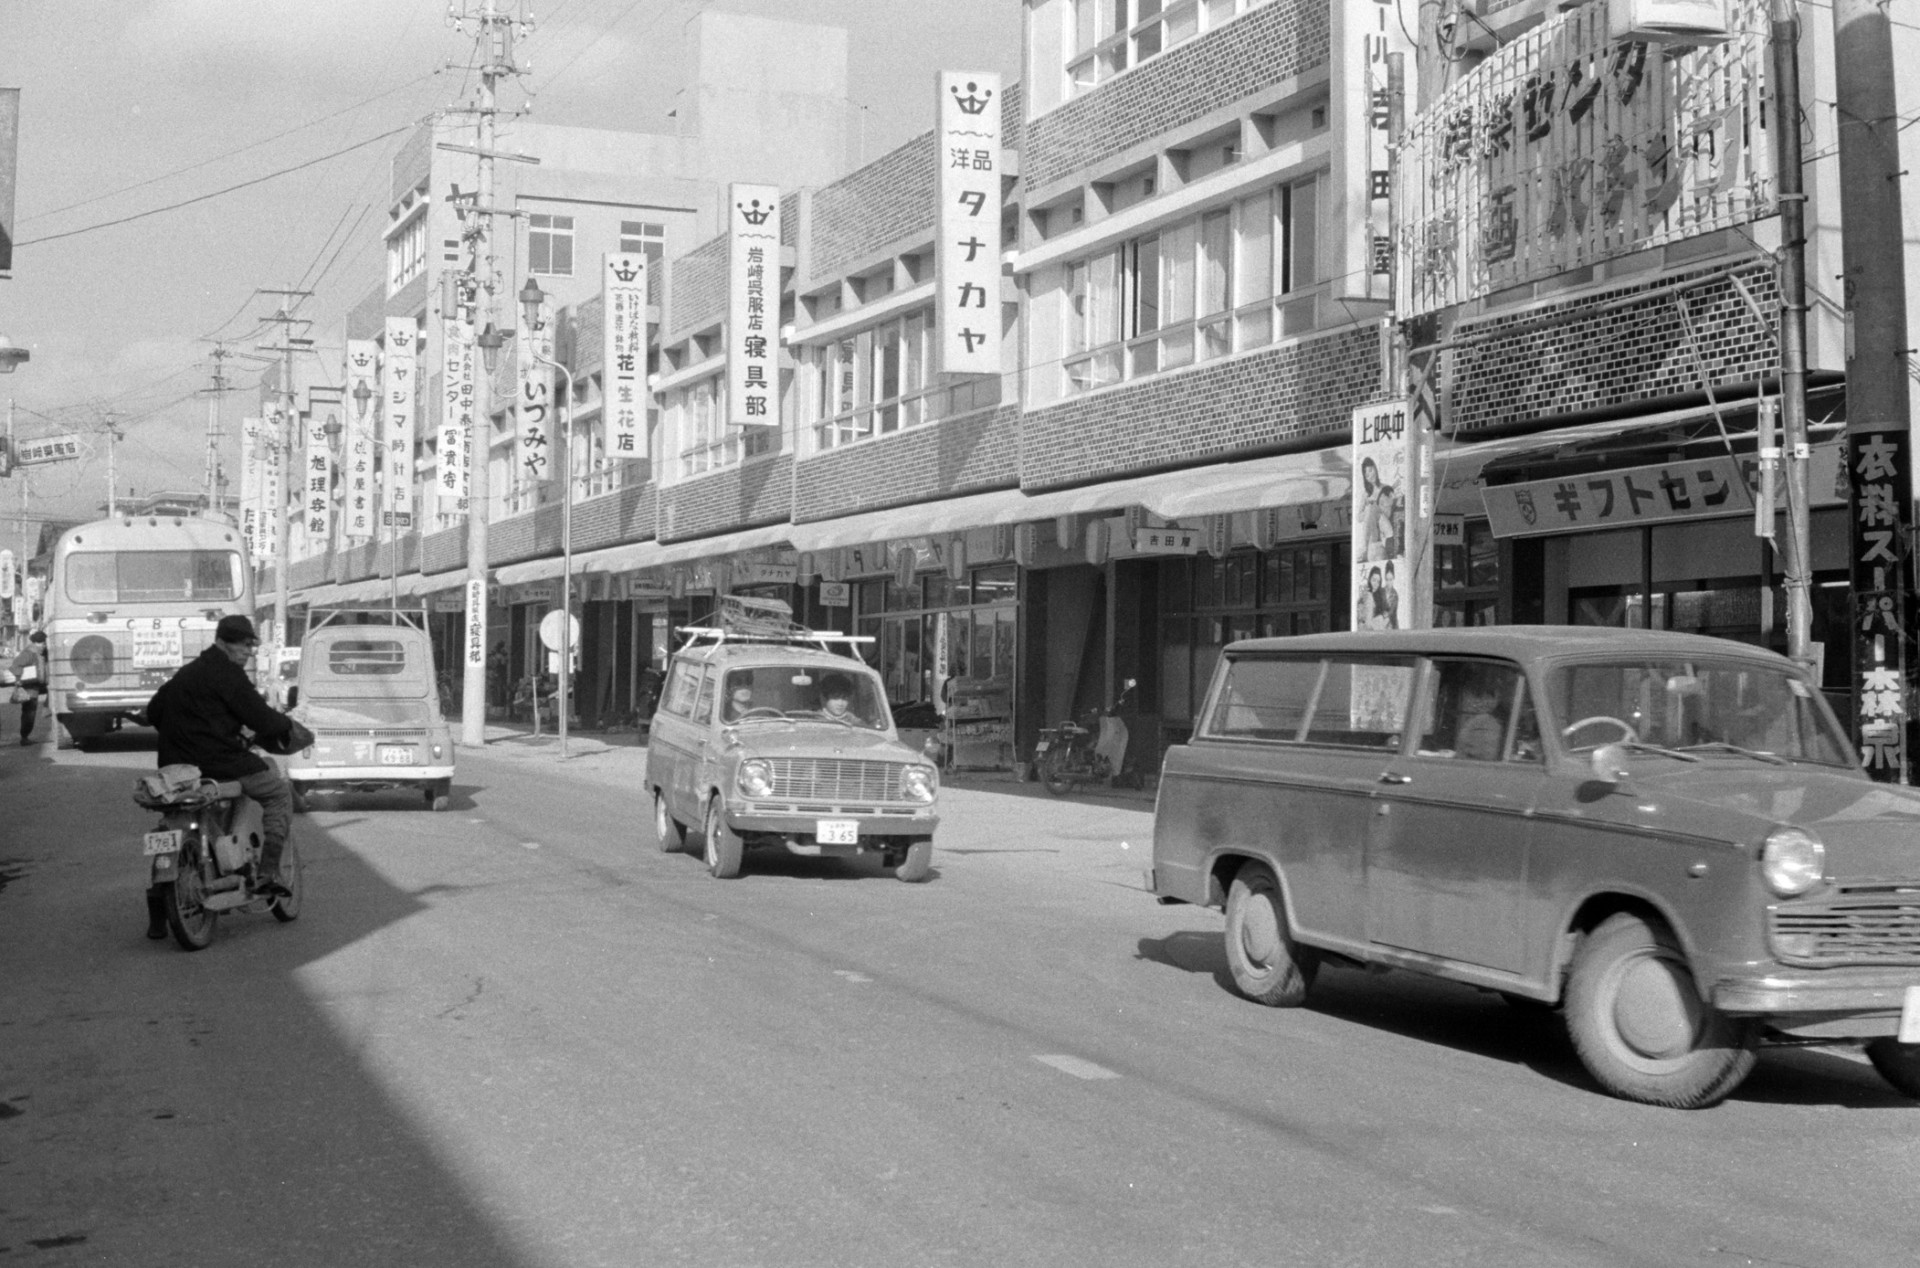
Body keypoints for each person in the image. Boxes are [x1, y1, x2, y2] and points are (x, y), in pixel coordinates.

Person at [145, 615, 297, 900]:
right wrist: (286, 725)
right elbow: (262, 719)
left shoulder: (187, 672)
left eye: (251, 645)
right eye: (244, 645)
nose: (248, 651)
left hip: (175, 769)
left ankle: (160, 902)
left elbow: (154, 712)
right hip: (219, 763)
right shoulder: (228, 675)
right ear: (224, 643)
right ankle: (268, 873)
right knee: (278, 793)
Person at [10, 630, 47, 745]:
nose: (44, 645)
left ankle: (25, 736)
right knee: (29, 713)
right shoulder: (29, 653)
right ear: (37, 643)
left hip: (35, 687)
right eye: (42, 643)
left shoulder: (39, 653)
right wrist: (18, 678)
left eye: (44, 643)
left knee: (30, 712)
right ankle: (24, 737)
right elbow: (15, 666)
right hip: (29, 688)